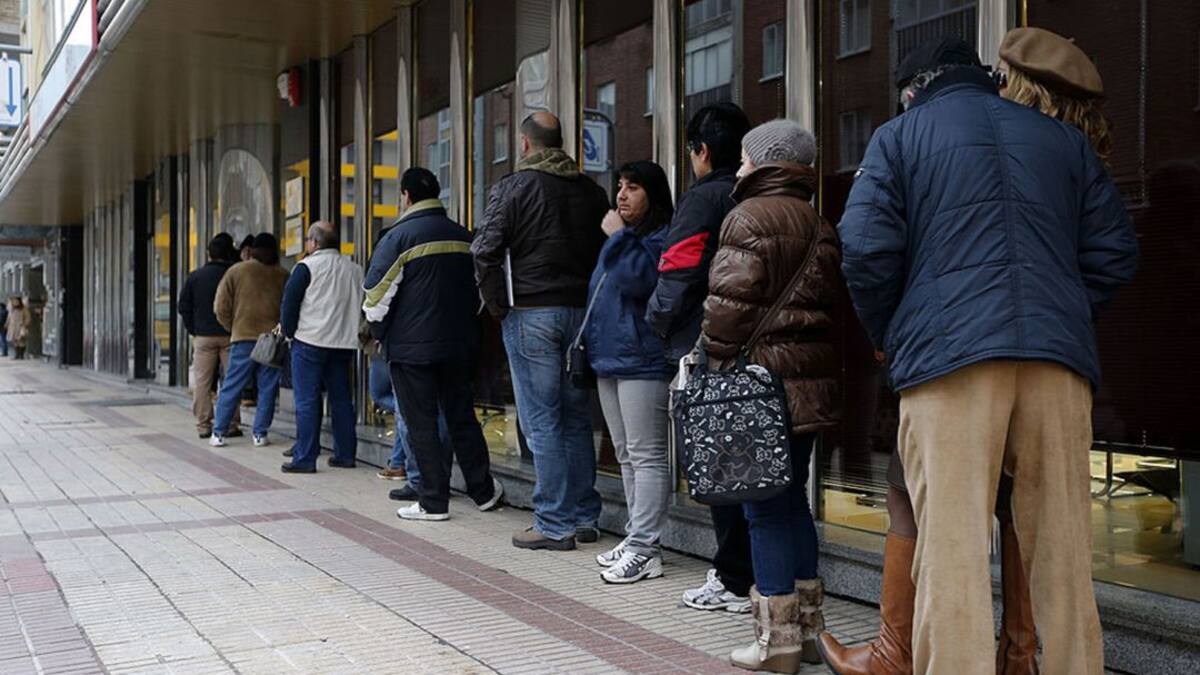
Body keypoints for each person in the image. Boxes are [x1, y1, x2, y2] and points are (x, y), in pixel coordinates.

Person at [821, 28, 1124, 675]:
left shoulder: (899, 138)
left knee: (953, 552)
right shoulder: (1062, 139)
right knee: (1064, 555)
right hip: (1056, 360)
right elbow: (1114, 253)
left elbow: (866, 248)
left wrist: (890, 334)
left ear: (911, 90)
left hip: (949, 361)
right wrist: (1060, 314)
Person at [696, 120, 840, 672]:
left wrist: (712, 350)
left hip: (756, 385)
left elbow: (727, 309)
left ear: (768, 162)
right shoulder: (817, 221)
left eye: (747, 159)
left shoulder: (748, 216)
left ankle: (774, 640)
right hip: (807, 383)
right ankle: (808, 630)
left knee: (762, 510)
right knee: (793, 502)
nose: (738, 168)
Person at [471, 112, 608, 550]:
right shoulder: (592, 191)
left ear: (525, 144)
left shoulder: (513, 187)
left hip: (531, 313)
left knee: (541, 421)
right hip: (580, 315)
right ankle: (585, 517)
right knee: (575, 419)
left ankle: (553, 522)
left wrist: (499, 307)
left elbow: (484, 250)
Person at [645, 102, 756, 613]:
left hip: (707, 346)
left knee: (719, 465)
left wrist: (661, 326)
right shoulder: (759, 194)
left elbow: (677, 271)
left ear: (702, 151)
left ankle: (733, 578)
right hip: (763, 349)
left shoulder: (703, 198)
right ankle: (758, 576)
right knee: (760, 467)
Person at [365, 167, 504, 521]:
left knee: (421, 421)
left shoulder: (398, 238)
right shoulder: (462, 235)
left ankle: (432, 501)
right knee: (461, 418)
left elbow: (375, 299)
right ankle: (483, 491)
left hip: (411, 351)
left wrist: (381, 335)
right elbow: (481, 291)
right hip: (458, 345)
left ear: (406, 196)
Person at [584, 161, 675, 584]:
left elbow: (640, 282)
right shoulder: (626, 239)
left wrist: (617, 239)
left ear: (652, 195)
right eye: (619, 186)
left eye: (633, 187)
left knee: (646, 455)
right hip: (610, 358)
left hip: (641, 360)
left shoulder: (657, 239)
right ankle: (638, 536)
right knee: (625, 454)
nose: (621, 195)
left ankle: (646, 547)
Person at [279, 221, 364, 474]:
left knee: (306, 400)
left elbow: (289, 305)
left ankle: (305, 458)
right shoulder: (355, 270)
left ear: (315, 243)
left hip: (309, 342)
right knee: (341, 400)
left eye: (308, 239)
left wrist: (289, 334)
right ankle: (345, 454)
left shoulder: (305, 267)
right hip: (343, 344)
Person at [210, 232, 291, 448]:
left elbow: (220, 307)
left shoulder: (236, 271)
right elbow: (289, 308)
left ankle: (218, 432)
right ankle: (260, 433)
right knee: (267, 389)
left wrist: (233, 327)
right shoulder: (283, 275)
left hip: (243, 337)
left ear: (252, 250)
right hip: (271, 340)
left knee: (232, 386)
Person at [178, 233, 242, 440]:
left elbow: (183, 307)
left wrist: (194, 330)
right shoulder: (233, 274)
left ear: (209, 254)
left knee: (202, 383)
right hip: (230, 335)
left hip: (203, 336)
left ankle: (204, 425)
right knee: (232, 380)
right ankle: (231, 423)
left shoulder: (195, 277)